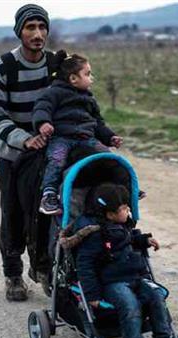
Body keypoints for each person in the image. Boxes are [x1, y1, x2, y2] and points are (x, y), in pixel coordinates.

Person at [0, 3, 54, 301]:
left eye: (42, 27)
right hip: (14, 153)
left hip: (49, 153)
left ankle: (45, 270)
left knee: (50, 212)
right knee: (13, 212)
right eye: (30, 27)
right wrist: (25, 140)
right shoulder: (1, 68)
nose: (37, 34)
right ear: (19, 31)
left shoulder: (55, 65)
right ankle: (12, 273)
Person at [76, 183, 178, 338]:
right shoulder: (95, 235)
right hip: (113, 282)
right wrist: (92, 294)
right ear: (109, 214)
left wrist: (144, 240)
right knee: (130, 306)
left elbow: (129, 240)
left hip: (136, 277)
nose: (128, 211)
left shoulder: (123, 226)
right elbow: (84, 264)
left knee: (157, 296)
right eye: (124, 208)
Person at [32, 51, 123, 215]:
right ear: (73, 79)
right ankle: (49, 195)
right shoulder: (54, 92)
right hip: (62, 138)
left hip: (86, 138)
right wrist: (43, 123)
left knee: (108, 157)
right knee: (56, 160)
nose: (91, 78)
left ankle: (122, 187)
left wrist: (110, 137)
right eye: (87, 74)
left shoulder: (89, 99)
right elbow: (42, 108)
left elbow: (98, 123)